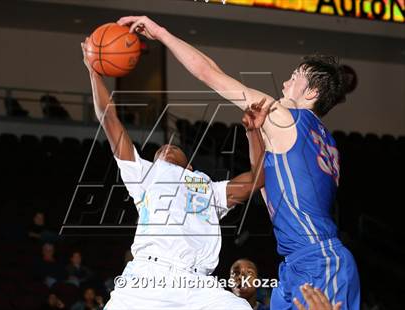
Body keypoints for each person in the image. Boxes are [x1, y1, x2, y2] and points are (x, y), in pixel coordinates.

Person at [115, 16, 360, 309]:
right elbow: (265, 182)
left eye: (294, 77)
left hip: (318, 261)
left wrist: (161, 33)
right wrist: (252, 132)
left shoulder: (285, 117)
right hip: (299, 261)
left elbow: (209, 73)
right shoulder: (326, 144)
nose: (285, 82)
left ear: (311, 93)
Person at [81, 36, 266, 309]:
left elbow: (258, 178)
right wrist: (93, 70)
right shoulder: (143, 174)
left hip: (197, 285)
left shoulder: (209, 188)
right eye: (158, 152)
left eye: (172, 149)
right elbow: (109, 119)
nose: (165, 149)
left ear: (190, 166)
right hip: (146, 279)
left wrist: (254, 133)